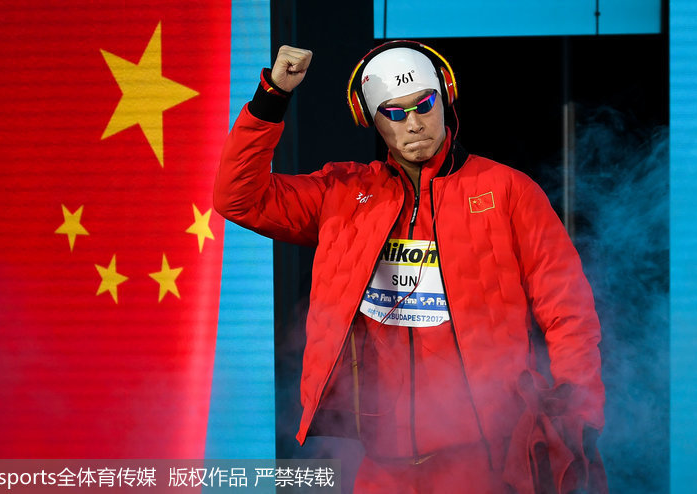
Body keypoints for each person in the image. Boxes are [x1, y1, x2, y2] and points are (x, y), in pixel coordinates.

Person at [214, 41, 607, 494]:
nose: (414, 123)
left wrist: (579, 410)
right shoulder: (342, 192)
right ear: (370, 119)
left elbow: (568, 311)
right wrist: (272, 97)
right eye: (394, 113)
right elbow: (237, 199)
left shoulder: (507, 191)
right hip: (383, 461)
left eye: (424, 105)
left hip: (489, 456)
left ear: (446, 97)